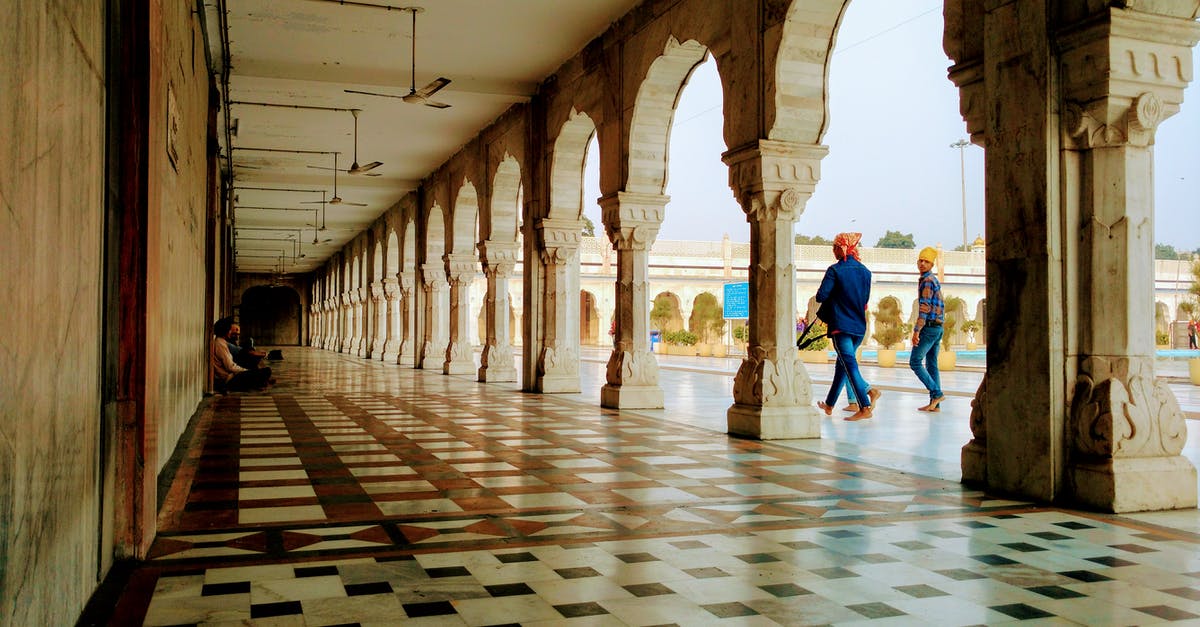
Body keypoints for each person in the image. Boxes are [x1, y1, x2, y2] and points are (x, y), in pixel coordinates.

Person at [814, 232, 880, 421]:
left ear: (842, 248)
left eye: (835, 247)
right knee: (842, 365)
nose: (833, 251)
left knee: (849, 365)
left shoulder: (835, 270)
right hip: (859, 326)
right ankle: (829, 404)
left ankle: (866, 403)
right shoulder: (866, 272)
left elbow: (821, 296)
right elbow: (865, 300)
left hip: (840, 326)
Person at [910, 246, 946, 412]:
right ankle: (935, 404)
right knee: (932, 364)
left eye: (926, 261)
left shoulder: (927, 281)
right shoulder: (932, 279)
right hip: (938, 327)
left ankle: (936, 393)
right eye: (921, 260)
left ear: (932, 264)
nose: (922, 264)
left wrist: (917, 330)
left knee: (915, 362)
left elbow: (924, 307)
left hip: (930, 327)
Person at [211, 317, 272, 392]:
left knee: (258, 371)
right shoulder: (219, 344)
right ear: (225, 331)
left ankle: (259, 382)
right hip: (229, 380)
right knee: (266, 371)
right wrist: (246, 371)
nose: (231, 332)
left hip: (231, 377)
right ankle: (259, 382)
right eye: (230, 330)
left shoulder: (221, 342)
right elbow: (230, 367)